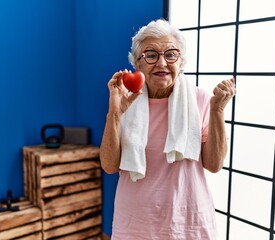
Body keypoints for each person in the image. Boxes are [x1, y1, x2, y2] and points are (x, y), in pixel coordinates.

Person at [100, 19, 236, 239]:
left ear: (180, 61)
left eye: (170, 54)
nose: (162, 63)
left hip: (188, 219)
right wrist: (115, 113)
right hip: (136, 222)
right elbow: (109, 165)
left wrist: (217, 109)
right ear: (137, 63)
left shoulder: (199, 99)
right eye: (151, 55)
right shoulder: (125, 99)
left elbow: (214, 164)